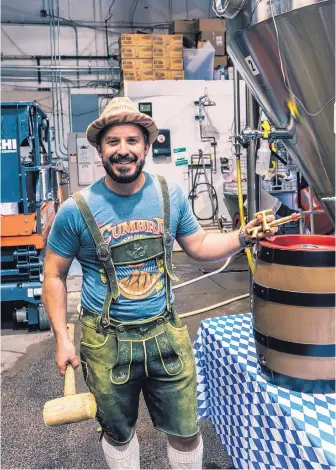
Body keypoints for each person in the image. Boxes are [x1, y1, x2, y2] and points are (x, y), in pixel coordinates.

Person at [43, 97, 277, 470]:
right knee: (118, 432)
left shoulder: (170, 195)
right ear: (100, 149)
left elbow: (199, 245)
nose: (123, 151)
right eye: (113, 142)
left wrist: (242, 237)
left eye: (132, 141)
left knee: (186, 430)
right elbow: (53, 275)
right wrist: (63, 338)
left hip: (165, 334)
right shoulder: (77, 209)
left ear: (146, 146)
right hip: (106, 342)